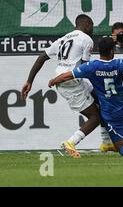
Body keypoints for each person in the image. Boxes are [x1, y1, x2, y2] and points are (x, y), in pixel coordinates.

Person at [21, 14, 115, 158]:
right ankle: (70, 142)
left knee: (104, 101)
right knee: (94, 117)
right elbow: (85, 68)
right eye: (92, 27)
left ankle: (107, 143)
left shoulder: (63, 39)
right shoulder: (87, 39)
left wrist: (29, 81)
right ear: (88, 25)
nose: (93, 30)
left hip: (70, 79)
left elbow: (41, 57)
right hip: (70, 83)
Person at [48, 37, 123, 157]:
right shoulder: (120, 63)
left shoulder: (91, 66)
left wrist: (53, 80)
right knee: (100, 109)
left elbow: (67, 76)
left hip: (112, 112)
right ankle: (107, 142)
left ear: (99, 51)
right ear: (112, 51)